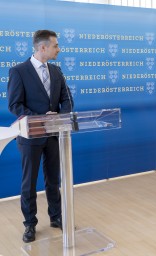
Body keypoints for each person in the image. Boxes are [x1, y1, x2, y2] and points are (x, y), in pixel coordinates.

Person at [7, 30, 73, 243]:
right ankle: (29, 224)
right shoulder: (19, 71)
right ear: (43, 47)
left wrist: (60, 117)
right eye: (55, 45)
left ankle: (56, 217)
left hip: (54, 135)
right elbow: (15, 105)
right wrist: (41, 119)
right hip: (30, 137)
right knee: (29, 182)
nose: (58, 49)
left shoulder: (56, 71)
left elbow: (67, 99)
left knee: (53, 180)